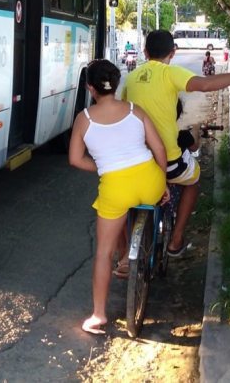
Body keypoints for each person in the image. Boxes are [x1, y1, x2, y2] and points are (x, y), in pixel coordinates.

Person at [122, 30, 230, 256]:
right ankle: (176, 240)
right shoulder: (169, 73)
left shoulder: (132, 77)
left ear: (145, 52)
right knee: (193, 179)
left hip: (135, 159)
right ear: (173, 53)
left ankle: (125, 255)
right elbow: (205, 85)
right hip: (168, 161)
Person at [68, 59, 170, 335]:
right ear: (116, 84)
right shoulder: (135, 110)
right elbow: (158, 148)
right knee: (147, 203)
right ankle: (147, 247)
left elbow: (75, 159)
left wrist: (103, 166)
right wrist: (163, 183)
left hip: (115, 187)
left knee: (104, 252)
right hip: (150, 180)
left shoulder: (84, 119)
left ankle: (99, 315)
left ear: (90, 88)